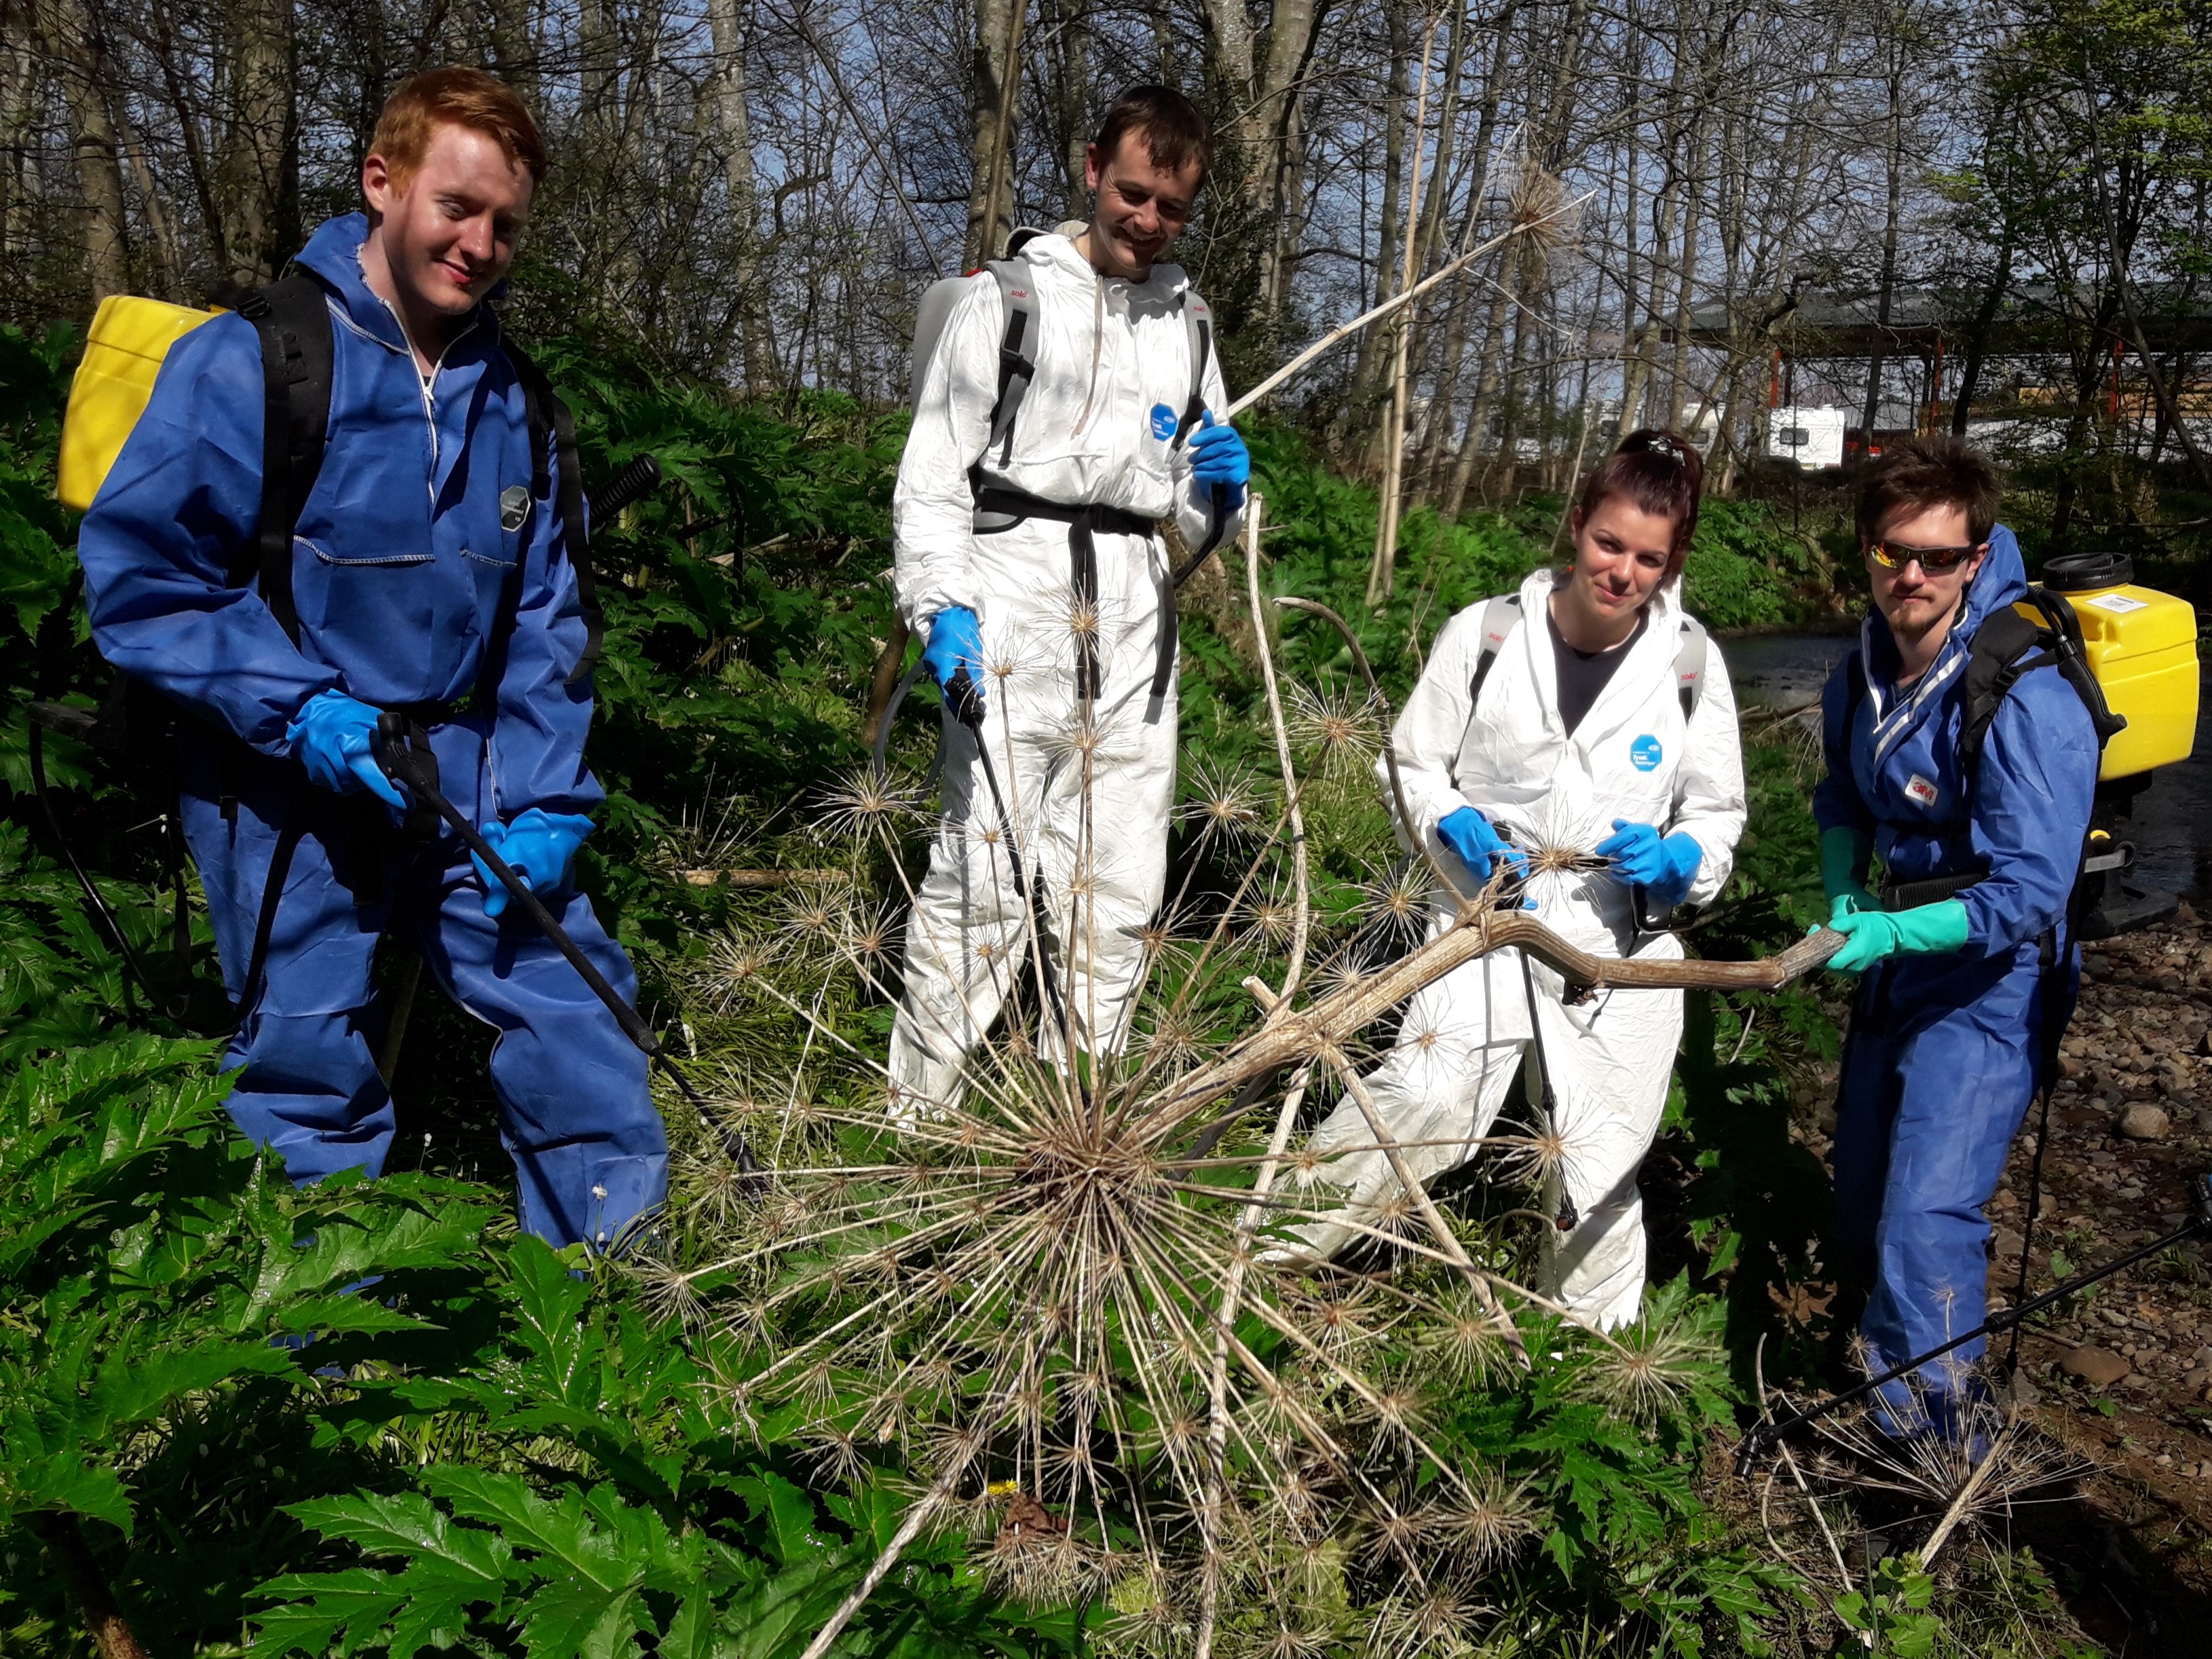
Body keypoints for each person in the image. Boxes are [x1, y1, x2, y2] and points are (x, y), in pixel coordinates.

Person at [76, 68, 667, 1250]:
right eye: (456, 205)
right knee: (303, 1056)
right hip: (283, 771)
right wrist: (307, 716)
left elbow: (550, 624)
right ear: (382, 182)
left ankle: (614, 1315)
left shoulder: (519, 403)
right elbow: (147, 585)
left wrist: (545, 797)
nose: (480, 242)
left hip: (466, 767)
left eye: (505, 222)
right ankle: (316, 1369)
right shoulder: (255, 361)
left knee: (576, 1010)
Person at [1281, 431, 1746, 1330]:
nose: (1622, 572)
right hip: (1487, 917)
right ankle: (1269, 1257)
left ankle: (1582, 1364)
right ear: (1577, 527)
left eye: (1649, 558)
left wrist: (1682, 860)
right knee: (1428, 1094)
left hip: (1617, 941)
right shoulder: (1486, 635)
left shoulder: (1690, 667)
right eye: (1610, 544)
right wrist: (1445, 817)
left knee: (1599, 1162)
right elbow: (1411, 765)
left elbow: (1715, 816)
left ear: (1671, 564)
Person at [887, 84, 1249, 1113]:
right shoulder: (1007, 304)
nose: (1147, 221)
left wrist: (1220, 494)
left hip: (1136, 636)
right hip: (1011, 612)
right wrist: (942, 610)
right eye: (1133, 193)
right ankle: (917, 1121)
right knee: (983, 879)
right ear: (1093, 170)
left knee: (1120, 888)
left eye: (1171, 208)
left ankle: (1078, 1124)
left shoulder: (1190, 330)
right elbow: (930, 481)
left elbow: (1199, 517)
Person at [1814, 437, 2097, 1440]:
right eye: (1895, 554)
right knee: (1863, 1195)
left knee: (1927, 1217)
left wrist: (1893, 932)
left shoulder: (2024, 692)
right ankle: (1878, 1369)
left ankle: (1934, 1446)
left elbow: (2030, 891)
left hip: (1992, 980)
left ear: (1977, 558)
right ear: (1868, 552)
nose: (1914, 577)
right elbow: (1841, 794)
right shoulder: (1863, 668)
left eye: (1939, 557)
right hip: (1898, 957)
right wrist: (1845, 892)